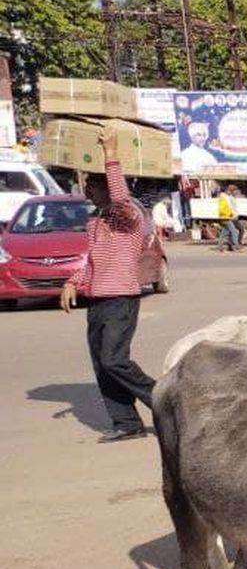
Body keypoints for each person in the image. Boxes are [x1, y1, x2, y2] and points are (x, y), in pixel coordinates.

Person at [58, 135, 158, 442]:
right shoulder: (96, 221)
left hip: (121, 298)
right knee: (102, 364)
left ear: (107, 186)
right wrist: (72, 282)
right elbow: (91, 262)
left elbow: (121, 199)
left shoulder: (129, 217)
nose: (86, 189)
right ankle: (127, 423)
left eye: (92, 184)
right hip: (98, 300)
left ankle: (165, 399)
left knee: (115, 359)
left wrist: (111, 154)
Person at [215, 185, 240, 252]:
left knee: (224, 233)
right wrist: (230, 213)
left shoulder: (225, 198)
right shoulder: (224, 198)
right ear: (227, 191)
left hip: (225, 217)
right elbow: (223, 209)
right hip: (225, 217)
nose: (230, 192)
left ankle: (220, 247)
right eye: (230, 191)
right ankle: (236, 246)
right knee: (234, 231)